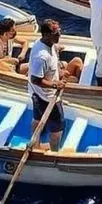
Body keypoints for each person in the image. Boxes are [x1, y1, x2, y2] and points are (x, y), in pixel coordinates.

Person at [28, 19, 67, 152]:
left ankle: (35, 145)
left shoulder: (47, 44)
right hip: (46, 97)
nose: (59, 35)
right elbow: (35, 79)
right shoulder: (42, 57)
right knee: (58, 128)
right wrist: (55, 85)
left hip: (36, 94)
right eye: (56, 33)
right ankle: (55, 153)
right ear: (46, 35)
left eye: (59, 31)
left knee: (37, 118)